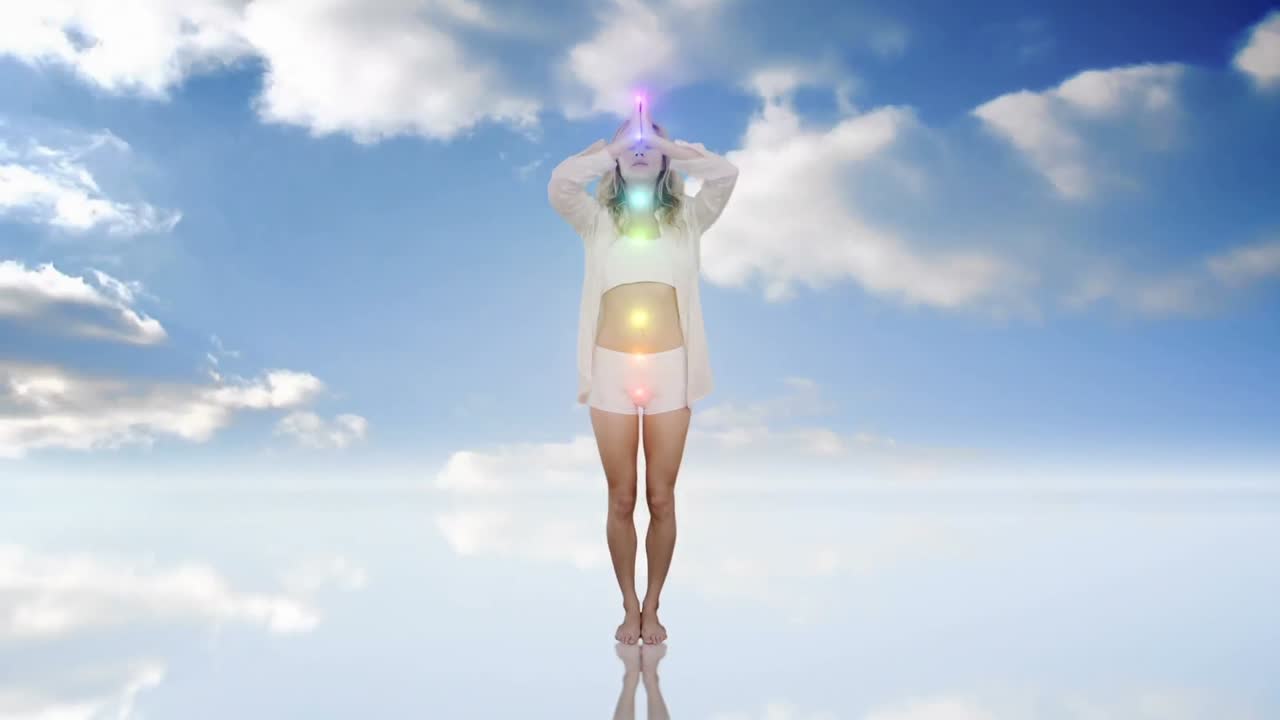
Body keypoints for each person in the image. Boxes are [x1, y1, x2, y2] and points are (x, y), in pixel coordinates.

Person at [547, 98, 739, 645]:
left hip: (671, 370)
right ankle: (627, 603)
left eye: (648, 144)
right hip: (610, 367)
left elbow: (725, 175)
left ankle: (654, 606)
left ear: (664, 162)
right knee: (621, 497)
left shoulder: (688, 222)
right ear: (613, 159)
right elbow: (561, 184)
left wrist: (666, 145)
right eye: (628, 143)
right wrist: (613, 145)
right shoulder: (596, 221)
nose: (638, 148)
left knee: (661, 497)